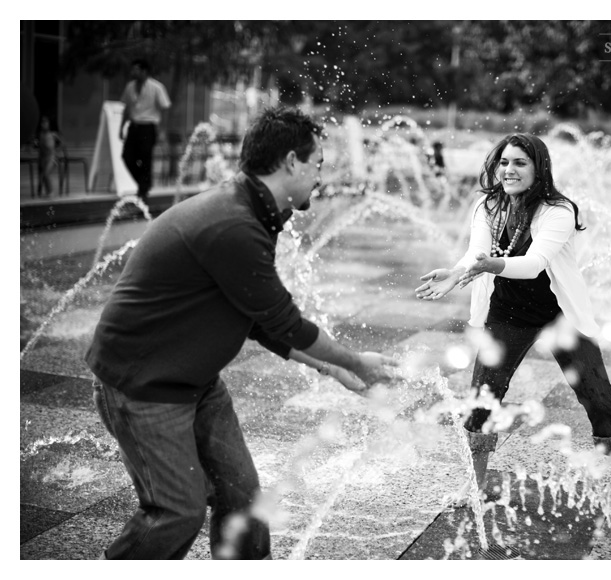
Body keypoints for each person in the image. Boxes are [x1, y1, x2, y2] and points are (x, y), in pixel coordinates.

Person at [86, 107, 398, 560]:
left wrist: (329, 368)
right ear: (291, 161)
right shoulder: (233, 223)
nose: (319, 177)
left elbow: (256, 317)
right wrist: (353, 361)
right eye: (317, 165)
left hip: (194, 381)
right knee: (176, 513)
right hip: (144, 387)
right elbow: (284, 320)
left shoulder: (251, 209)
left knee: (243, 499)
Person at [416, 133, 611, 505]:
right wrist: (458, 273)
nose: (509, 169)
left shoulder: (558, 210)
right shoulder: (488, 206)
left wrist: (490, 264)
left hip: (559, 315)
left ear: (539, 169)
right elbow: (475, 252)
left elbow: (534, 262)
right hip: (507, 314)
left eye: (520, 162)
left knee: (599, 399)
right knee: (483, 399)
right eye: (504, 162)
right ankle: (474, 486)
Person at [120, 58, 171, 203]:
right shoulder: (130, 87)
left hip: (148, 127)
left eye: (136, 69)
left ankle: (143, 190)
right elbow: (126, 108)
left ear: (144, 71)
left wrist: (162, 130)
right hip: (134, 126)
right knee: (127, 156)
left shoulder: (156, 87)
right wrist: (121, 127)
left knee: (145, 158)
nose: (133, 72)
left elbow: (165, 107)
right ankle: (144, 184)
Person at [34, 115, 61, 197]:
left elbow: (61, 144)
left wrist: (57, 151)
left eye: (46, 122)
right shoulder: (40, 135)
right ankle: (43, 191)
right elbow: (37, 146)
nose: (44, 124)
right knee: (42, 176)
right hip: (42, 158)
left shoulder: (53, 135)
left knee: (46, 173)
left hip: (52, 158)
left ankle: (50, 192)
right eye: (42, 122)